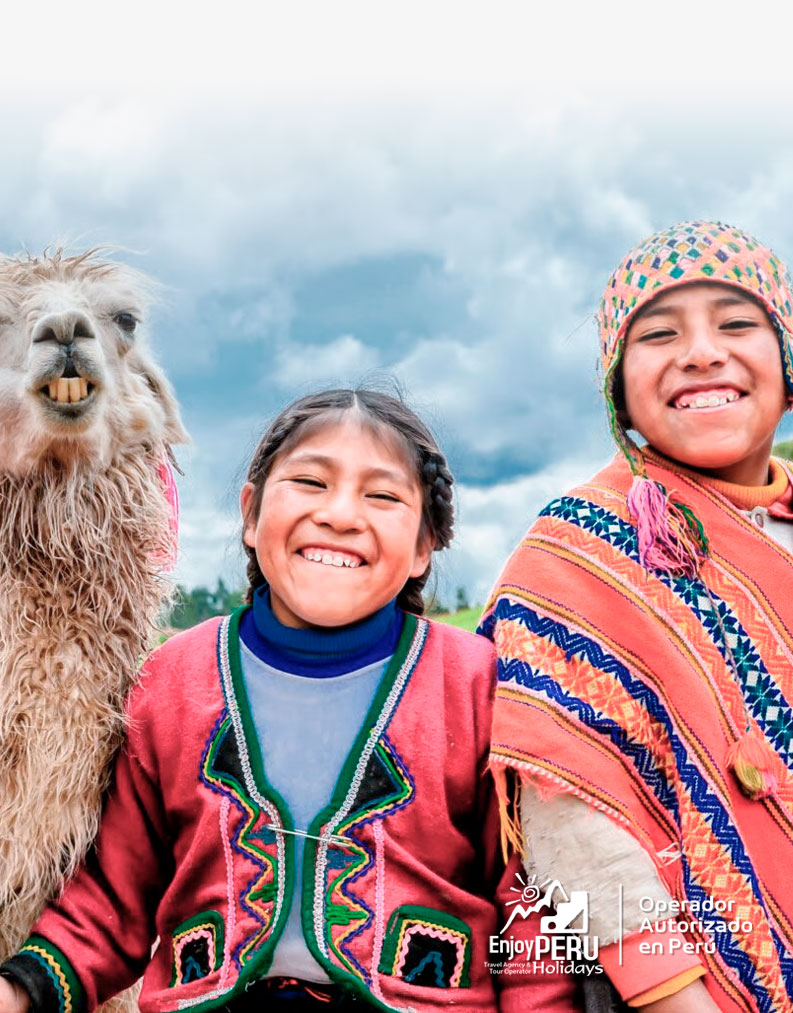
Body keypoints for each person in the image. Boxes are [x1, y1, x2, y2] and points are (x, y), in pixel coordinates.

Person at [0, 388, 578, 1013]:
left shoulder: (477, 687)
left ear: (423, 548)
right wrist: (22, 989)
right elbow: (113, 900)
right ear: (250, 514)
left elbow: (531, 908)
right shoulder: (173, 682)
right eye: (310, 482)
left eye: (382, 495)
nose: (339, 514)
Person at [481, 221, 793, 1012]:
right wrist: (670, 995)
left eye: (734, 323)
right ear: (618, 388)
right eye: (658, 334)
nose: (699, 352)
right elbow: (569, 825)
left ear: (785, 366)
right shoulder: (575, 556)